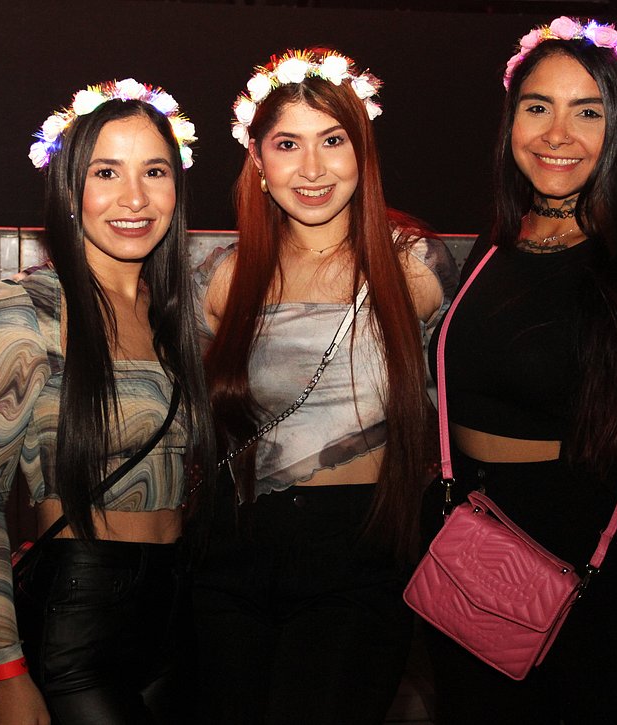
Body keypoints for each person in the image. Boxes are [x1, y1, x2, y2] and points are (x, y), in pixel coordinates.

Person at [423, 17, 617, 725]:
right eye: (538, 107)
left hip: (579, 553)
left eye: (588, 112)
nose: (558, 134)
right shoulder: (498, 242)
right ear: (511, 122)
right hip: (467, 540)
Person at [190, 48, 458, 724]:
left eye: (333, 141)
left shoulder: (414, 265)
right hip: (231, 558)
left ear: (362, 150)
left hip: (358, 559)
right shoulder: (224, 276)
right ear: (258, 159)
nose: (312, 168)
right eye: (288, 144)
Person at [0, 79, 215, 725]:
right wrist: (5, 670)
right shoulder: (25, 308)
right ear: (71, 189)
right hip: (80, 615)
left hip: (181, 611)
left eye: (154, 171)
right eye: (107, 172)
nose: (135, 197)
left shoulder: (179, 318)